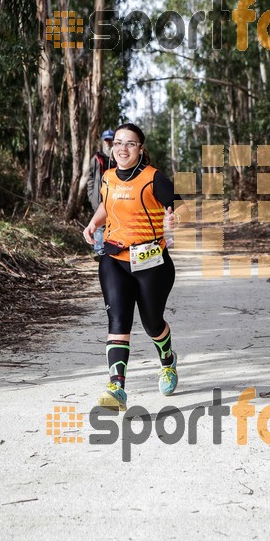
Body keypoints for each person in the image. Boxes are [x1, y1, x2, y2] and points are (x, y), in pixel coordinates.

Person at [83, 122, 189, 411]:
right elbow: (107, 204)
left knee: (152, 323)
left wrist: (174, 220)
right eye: (118, 143)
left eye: (129, 143)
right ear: (111, 146)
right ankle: (117, 387)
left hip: (152, 263)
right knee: (118, 321)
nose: (122, 149)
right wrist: (94, 222)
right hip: (114, 258)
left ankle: (168, 361)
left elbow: (181, 209)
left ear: (140, 148)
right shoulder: (107, 177)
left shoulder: (155, 179)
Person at [86, 129, 115, 258]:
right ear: (102, 141)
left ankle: (111, 249)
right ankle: (99, 250)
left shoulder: (118, 158)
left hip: (115, 196)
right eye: (106, 140)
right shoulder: (96, 159)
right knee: (99, 224)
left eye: (110, 140)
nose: (108, 143)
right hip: (98, 197)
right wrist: (91, 194)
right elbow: (90, 178)